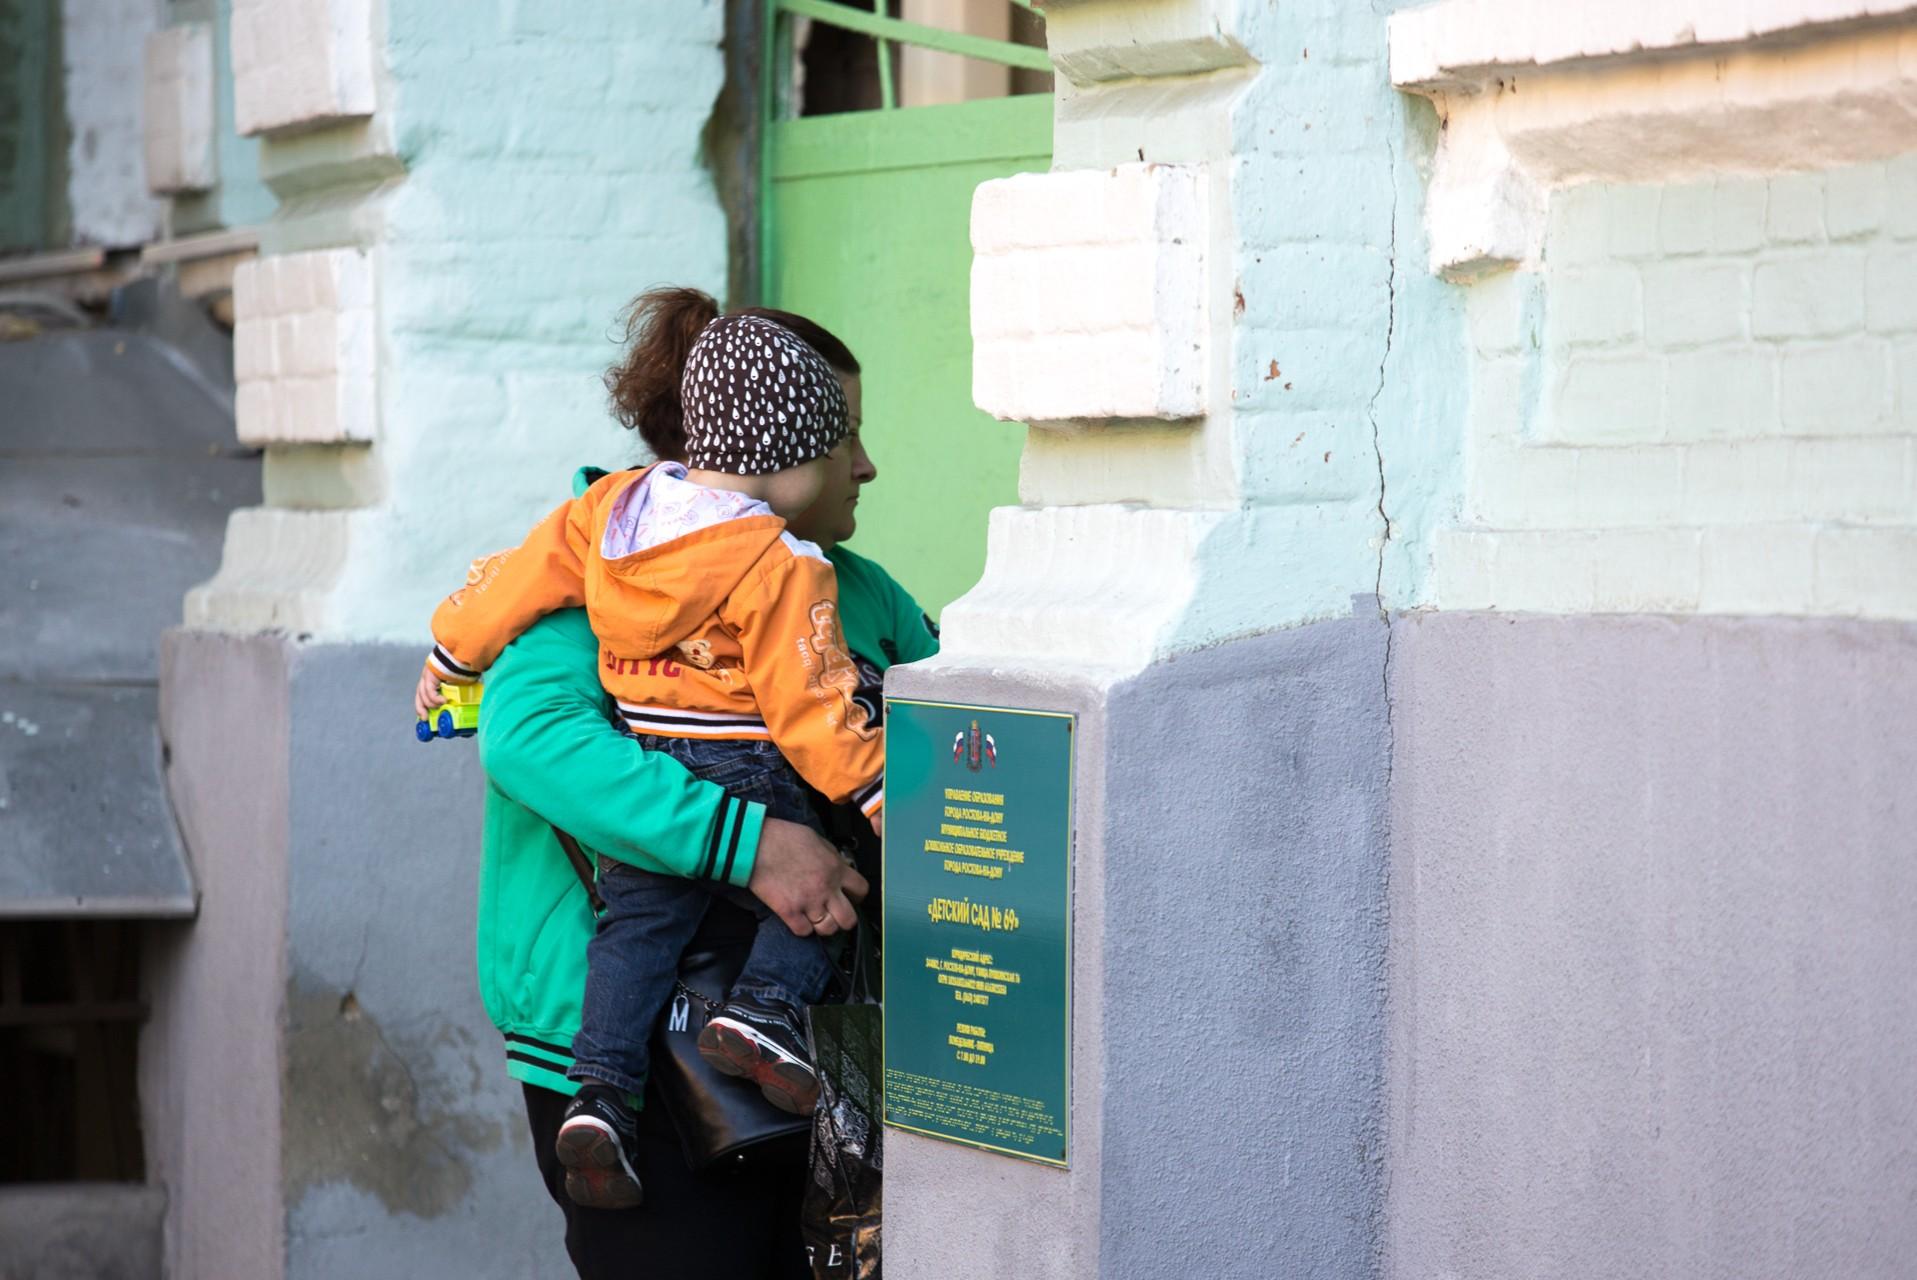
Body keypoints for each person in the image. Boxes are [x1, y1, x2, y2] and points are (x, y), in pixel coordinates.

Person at [471, 287, 939, 1277]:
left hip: (827, 1035)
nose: (864, 464)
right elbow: (531, 740)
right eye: (844, 435)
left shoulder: (852, 586)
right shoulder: (602, 576)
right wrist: (755, 846)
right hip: (634, 1048)